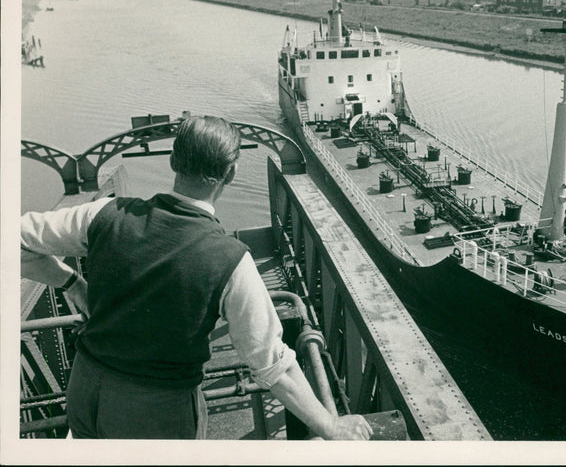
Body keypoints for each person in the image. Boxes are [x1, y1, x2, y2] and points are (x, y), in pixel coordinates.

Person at [20, 115, 373, 440]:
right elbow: (272, 365)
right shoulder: (230, 260)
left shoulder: (104, 215)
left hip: (85, 386)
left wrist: (72, 284)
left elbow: (16, 238)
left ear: (174, 162)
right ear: (230, 174)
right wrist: (330, 425)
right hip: (157, 410)